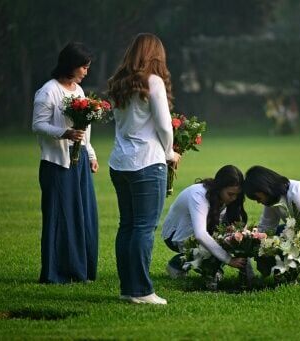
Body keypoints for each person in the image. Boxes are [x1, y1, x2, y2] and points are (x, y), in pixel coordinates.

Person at [107, 33, 181, 305]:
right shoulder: (153, 81)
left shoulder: (118, 83)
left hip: (120, 162)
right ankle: (141, 291)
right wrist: (170, 151)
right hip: (147, 162)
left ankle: (129, 288)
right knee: (143, 227)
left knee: (127, 225)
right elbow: (164, 125)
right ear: (155, 55)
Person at [32, 42, 99, 284]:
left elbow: (84, 130)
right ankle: (56, 273)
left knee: (83, 215)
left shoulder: (79, 92)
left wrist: (91, 155)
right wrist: (64, 134)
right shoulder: (48, 91)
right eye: (84, 67)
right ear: (71, 65)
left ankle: (81, 270)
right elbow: (37, 125)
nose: (86, 72)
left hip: (79, 161)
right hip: (56, 164)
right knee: (60, 216)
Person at [161, 165, 248, 290]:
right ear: (219, 188)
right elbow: (201, 234)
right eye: (230, 194)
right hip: (175, 236)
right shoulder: (198, 195)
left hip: (198, 232)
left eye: (236, 195)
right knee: (218, 242)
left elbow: (234, 225)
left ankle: (211, 269)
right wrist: (229, 260)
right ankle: (178, 264)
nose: (233, 198)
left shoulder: (226, 198)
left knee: (231, 237)